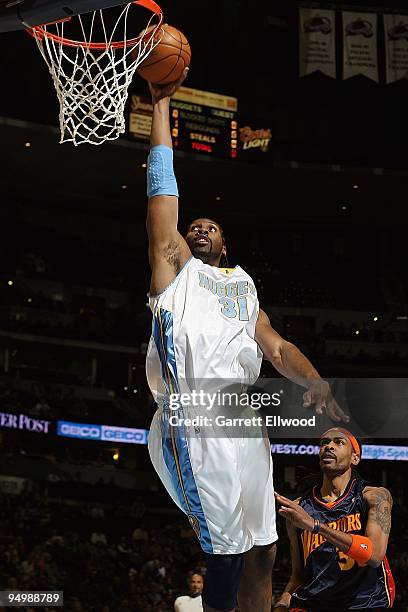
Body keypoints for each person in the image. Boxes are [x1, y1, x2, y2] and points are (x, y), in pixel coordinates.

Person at [145, 68, 348, 612]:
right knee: (225, 550)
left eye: (211, 225)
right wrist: (161, 107)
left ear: (226, 241)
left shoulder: (242, 285)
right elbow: (162, 199)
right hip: (193, 411)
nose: (200, 228)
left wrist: (315, 381)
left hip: (243, 414)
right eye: (194, 226)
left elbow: (276, 346)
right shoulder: (174, 271)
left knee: (264, 546)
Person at [274, 428, 395, 611]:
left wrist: (316, 526)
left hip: (363, 603)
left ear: (355, 458)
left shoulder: (375, 497)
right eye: (324, 443)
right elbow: (298, 576)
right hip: (313, 603)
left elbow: (374, 554)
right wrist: (282, 602)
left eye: (339, 442)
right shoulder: (299, 509)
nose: (329, 446)